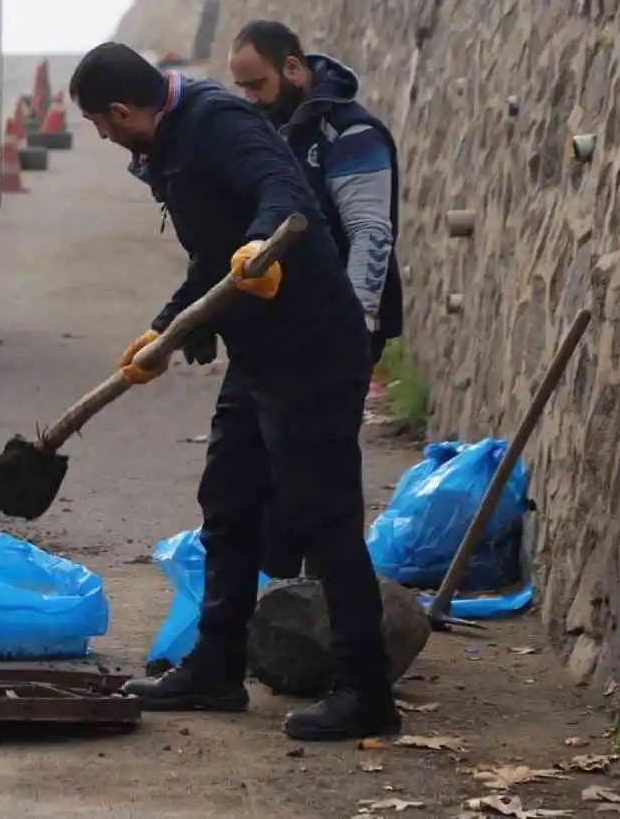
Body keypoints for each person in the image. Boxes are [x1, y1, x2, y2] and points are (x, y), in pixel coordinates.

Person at [67, 41, 398, 742]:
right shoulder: (172, 146)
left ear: (124, 110)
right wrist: (161, 333)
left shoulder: (220, 122)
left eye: (103, 124)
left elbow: (282, 189)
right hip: (259, 352)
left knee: (324, 518)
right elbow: (208, 259)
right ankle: (215, 669)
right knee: (228, 500)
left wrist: (257, 247)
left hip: (313, 345)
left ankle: (366, 690)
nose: (106, 138)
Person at [225, 20, 402, 366]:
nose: (251, 98)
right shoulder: (271, 125)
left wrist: (355, 326)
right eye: (242, 88)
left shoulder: (351, 133)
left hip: (338, 323)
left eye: (257, 85)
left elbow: (369, 232)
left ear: (291, 68)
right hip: (283, 322)